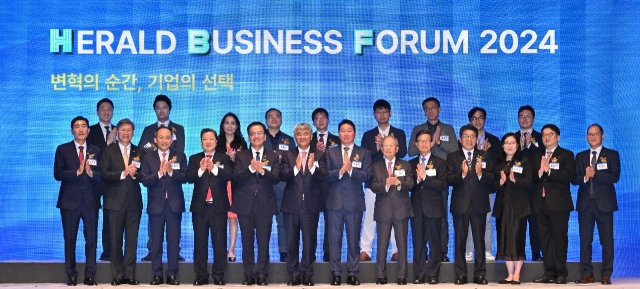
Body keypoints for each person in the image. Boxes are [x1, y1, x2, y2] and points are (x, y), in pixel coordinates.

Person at [320, 119, 372, 286]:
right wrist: (339, 172)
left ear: (354, 133)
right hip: (334, 202)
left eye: (349, 130)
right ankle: (335, 273)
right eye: (343, 131)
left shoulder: (364, 153)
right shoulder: (330, 152)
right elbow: (325, 175)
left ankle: (352, 273)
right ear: (339, 133)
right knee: (334, 240)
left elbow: (367, 176)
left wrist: (351, 170)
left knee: (353, 239)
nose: (346, 134)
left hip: (354, 202)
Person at [408, 97, 458, 262]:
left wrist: (437, 142)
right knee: (421, 217)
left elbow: (455, 149)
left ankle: (442, 251)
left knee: (440, 215)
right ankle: (424, 252)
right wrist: (427, 143)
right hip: (420, 181)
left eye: (433, 107)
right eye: (427, 108)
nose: (430, 111)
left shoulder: (447, 129)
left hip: (439, 178)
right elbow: (410, 150)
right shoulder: (418, 128)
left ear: (439, 109)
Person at [54, 116, 102, 286]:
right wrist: (76, 172)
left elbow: (101, 176)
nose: (81, 129)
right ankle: (71, 274)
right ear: (72, 130)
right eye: (77, 126)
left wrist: (90, 173)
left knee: (91, 240)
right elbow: (57, 174)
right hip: (69, 202)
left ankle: (90, 274)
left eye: (84, 126)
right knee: (70, 239)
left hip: (90, 202)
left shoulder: (96, 150)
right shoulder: (63, 149)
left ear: (89, 130)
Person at [231, 122, 281, 286]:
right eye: (253, 134)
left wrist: (262, 171)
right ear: (249, 137)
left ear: (265, 136)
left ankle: (262, 274)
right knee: (247, 241)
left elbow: (276, 178)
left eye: (259, 133)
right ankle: (249, 275)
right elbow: (236, 177)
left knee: (263, 241)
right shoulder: (241, 155)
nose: (256, 136)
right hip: (245, 203)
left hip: (265, 204)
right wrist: (251, 169)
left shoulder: (272, 156)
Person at [138, 94, 186, 262]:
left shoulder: (178, 128)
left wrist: (169, 164)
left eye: (164, 107)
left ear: (169, 109)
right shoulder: (148, 129)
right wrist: (155, 151)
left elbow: (179, 149)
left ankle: (175, 252)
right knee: (155, 217)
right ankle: (152, 249)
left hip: (173, 177)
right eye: (158, 107)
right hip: (154, 176)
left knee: (174, 225)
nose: (161, 110)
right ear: (154, 110)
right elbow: (142, 148)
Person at [446, 125, 495, 285]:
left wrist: (480, 173)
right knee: (460, 241)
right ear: (460, 139)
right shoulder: (453, 157)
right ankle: (461, 275)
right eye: (466, 136)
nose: (469, 139)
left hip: (479, 204)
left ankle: (480, 274)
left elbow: (492, 179)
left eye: (472, 136)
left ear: (476, 139)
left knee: (479, 240)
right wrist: (462, 174)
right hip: (460, 205)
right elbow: (449, 179)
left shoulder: (484, 156)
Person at [572, 124, 620, 285]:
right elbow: (574, 179)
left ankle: (606, 274)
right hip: (585, 204)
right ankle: (587, 273)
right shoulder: (580, 156)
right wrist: (585, 178)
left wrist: (595, 174)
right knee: (585, 241)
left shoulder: (612, 155)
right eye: (590, 134)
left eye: (596, 134)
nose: (593, 137)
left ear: (603, 136)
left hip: (605, 204)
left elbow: (615, 176)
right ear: (586, 137)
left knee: (607, 241)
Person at [360, 99, 406, 262]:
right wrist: (378, 148)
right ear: (374, 115)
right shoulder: (368, 135)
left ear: (390, 113)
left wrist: (389, 144)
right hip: (375, 182)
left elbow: (403, 153)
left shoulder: (398, 133)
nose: (382, 114)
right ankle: (366, 250)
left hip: (395, 181)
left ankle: (396, 250)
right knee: (370, 216)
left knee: (395, 215)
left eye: (385, 111)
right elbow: (364, 157)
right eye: (378, 112)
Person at [280, 123, 326, 286]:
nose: (303, 136)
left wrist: (312, 167)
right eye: (299, 134)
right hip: (291, 204)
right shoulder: (288, 155)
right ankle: (293, 274)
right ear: (295, 137)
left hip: (311, 205)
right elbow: (283, 176)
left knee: (309, 241)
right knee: (291, 242)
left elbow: (323, 176)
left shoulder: (319, 155)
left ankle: (307, 274)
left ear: (311, 136)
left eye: (306, 133)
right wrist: (296, 167)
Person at [141, 126, 188, 285]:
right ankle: (157, 274)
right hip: (156, 205)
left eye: (167, 137)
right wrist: (160, 173)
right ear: (155, 140)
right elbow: (145, 181)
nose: (164, 140)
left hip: (174, 205)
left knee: (174, 241)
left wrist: (172, 172)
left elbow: (184, 178)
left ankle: (172, 274)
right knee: (156, 241)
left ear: (172, 139)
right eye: (161, 137)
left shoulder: (180, 156)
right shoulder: (148, 158)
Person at [100, 118, 145, 285]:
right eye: (122, 130)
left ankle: (129, 274)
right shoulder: (108, 151)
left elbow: (144, 176)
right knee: (115, 240)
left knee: (132, 241)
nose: (126, 133)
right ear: (116, 132)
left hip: (134, 202)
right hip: (114, 202)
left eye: (129, 130)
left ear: (133, 133)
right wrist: (122, 173)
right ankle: (117, 275)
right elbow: (103, 174)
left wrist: (135, 175)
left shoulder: (139, 152)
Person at [187, 128, 233, 286]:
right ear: (201, 142)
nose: (208, 142)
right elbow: (188, 178)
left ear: (216, 141)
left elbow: (229, 175)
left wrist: (213, 168)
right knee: (200, 243)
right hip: (200, 207)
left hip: (218, 207)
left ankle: (219, 275)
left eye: (211, 139)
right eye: (205, 139)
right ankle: (201, 275)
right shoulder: (194, 158)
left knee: (219, 242)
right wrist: (200, 169)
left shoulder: (223, 158)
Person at [532, 124, 575, 285]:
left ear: (558, 136)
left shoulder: (566, 154)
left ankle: (561, 273)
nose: (546, 137)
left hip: (559, 205)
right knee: (545, 240)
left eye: (550, 134)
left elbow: (568, 175)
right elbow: (531, 178)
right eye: (543, 135)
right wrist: (539, 172)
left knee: (559, 239)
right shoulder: (537, 156)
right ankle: (548, 272)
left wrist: (549, 170)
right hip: (540, 204)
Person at [370, 136, 413, 285]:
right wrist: (386, 185)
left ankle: (402, 276)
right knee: (382, 245)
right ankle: (381, 275)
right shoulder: (376, 166)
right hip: (383, 210)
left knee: (402, 244)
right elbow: (373, 186)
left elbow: (411, 183)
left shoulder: (405, 165)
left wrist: (399, 183)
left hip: (401, 209)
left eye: (391, 146)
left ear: (397, 148)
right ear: (381, 148)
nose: (388, 148)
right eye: (385, 146)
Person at [493, 133, 533, 285]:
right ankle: (509, 274)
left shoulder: (524, 161)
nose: (509, 145)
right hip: (502, 207)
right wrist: (501, 183)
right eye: (506, 143)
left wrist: (515, 180)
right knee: (505, 239)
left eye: (512, 143)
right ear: (502, 146)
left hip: (519, 207)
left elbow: (529, 182)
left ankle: (517, 274)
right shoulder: (499, 165)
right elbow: (491, 186)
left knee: (517, 239)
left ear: (518, 145)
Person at [409, 130, 447, 285]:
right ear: (416, 144)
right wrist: (417, 180)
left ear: (432, 143)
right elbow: (407, 185)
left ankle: (433, 274)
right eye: (420, 141)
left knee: (434, 242)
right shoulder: (410, 163)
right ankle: (419, 274)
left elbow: (442, 184)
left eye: (426, 140)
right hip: (416, 208)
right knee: (418, 242)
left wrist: (426, 177)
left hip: (434, 208)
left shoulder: (440, 162)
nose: (424, 143)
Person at [464, 107, 500, 262]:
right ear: (469, 121)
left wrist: (485, 154)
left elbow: (497, 164)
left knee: (486, 219)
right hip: (468, 187)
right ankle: (469, 251)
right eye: (474, 118)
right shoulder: (464, 140)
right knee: (469, 218)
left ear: (485, 120)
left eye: (480, 118)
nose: (477, 121)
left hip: (486, 187)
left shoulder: (493, 140)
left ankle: (486, 250)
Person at [86, 98, 117, 262]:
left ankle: (109, 250)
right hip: (95, 180)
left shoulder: (119, 130)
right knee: (92, 218)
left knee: (110, 217)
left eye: (109, 109)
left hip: (113, 181)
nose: (106, 112)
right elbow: (92, 155)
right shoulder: (90, 131)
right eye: (103, 109)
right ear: (97, 112)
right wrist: (108, 143)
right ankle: (90, 253)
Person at [263, 108, 295, 262]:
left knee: (283, 222)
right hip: (264, 186)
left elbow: (294, 162)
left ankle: (284, 250)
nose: (274, 119)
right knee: (263, 223)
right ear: (266, 120)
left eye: (277, 116)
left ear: (281, 120)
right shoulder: (259, 138)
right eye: (270, 116)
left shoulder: (289, 140)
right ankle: (263, 253)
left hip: (283, 186)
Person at [215, 112, 248, 263]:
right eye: (227, 122)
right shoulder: (217, 142)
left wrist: (235, 160)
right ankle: (220, 250)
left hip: (236, 185)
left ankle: (231, 249)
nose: (229, 126)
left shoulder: (242, 143)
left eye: (233, 123)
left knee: (233, 218)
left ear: (237, 126)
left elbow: (245, 165)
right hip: (219, 184)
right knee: (221, 219)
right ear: (222, 125)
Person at [310, 108, 340, 262]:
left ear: (328, 120)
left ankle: (328, 253)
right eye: (317, 118)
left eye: (323, 117)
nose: (320, 120)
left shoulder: (337, 139)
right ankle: (311, 253)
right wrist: (317, 151)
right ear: (313, 122)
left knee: (331, 222)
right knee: (312, 222)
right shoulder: (308, 139)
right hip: (313, 187)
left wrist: (326, 151)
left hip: (331, 186)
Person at [514, 105, 543, 261]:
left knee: (536, 224)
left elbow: (542, 159)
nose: (524, 119)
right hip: (517, 189)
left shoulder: (541, 138)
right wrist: (520, 148)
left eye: (528, 116)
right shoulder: (511, 138)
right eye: (521, 116)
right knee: (517, 226)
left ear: (534, 119)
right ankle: (518, 257)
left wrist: (528, 146)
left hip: (535, 188)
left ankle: (536, 255)